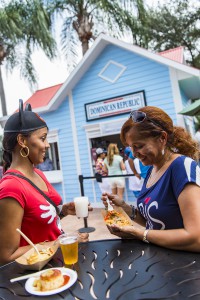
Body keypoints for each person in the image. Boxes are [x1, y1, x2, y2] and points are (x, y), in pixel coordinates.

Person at [0, 100, 90, 265]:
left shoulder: (39, 174)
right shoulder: (11, 188)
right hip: (38, 280)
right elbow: (5, 257)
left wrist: (62, 211)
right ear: (22, 140)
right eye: (43, 138)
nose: (47, 145)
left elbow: (37, 226)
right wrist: (60, 243)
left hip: (57, 267)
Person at [101, 106, 200, 252]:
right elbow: (156, 221)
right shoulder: (151, 170)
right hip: (161, 263)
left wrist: (138, 233)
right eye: (131, 147)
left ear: (162, 138)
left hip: (187, 268)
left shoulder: (181, 167)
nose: (134, 154)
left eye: (139, 146)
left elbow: (196, 238)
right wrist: (125, 208)